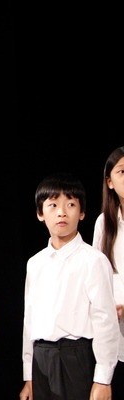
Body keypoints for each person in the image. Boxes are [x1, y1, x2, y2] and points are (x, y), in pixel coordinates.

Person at [19, 172, 119, 400]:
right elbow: (29, 320)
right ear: (40, 213)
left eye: (71, 204)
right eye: (53, 205)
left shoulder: (93, 260)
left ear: (82, 212)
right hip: (41, 359)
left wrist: (103, 379)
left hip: (76, 358)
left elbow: (105, 321)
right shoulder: (35, 263)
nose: (62, 212)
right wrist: (29, 376)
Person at [92, 146, 124, 399]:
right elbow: (97, 278)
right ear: (109, 182)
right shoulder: (104, 223)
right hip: (117, 335)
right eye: (122, 172)